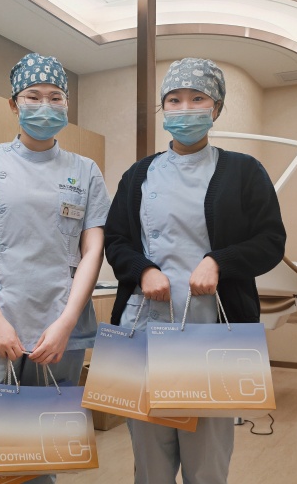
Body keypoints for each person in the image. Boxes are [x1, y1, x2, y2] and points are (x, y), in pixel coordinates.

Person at [104, 57, 286, 483]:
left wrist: (218, 260)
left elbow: (270, 241)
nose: (184, 108)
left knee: (207, 461)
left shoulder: (243, 171)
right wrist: (143, 270)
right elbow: (116, 239)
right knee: (149, 459)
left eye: (197, 99)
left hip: (212, 332)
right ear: (163, 109)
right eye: (174, 100)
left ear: (215, 108)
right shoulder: (138, 175)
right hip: (144, 327)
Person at [0, 53, 110, 484]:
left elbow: (93, 251)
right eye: (33, 96)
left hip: (60, 328)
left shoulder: (85, 171)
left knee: (39, 451)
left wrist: (66, 323)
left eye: (55, 97)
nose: (45, 105)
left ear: (67, 105)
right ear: (14, 103)